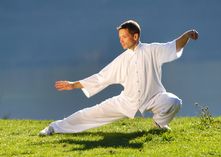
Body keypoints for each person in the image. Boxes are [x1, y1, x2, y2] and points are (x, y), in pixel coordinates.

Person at [39, 20, 199, 136]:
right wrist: (73, 85)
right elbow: (101, 78)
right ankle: (54, 127)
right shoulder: (122, 59)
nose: (121, 40)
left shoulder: (152, 50)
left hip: (153, 97)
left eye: (124, 36)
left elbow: (174, 45)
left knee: (174, 102)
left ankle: (159, 124)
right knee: (89, 114)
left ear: (135, 36)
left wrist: (186, 35)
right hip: (126, 101)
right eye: (120, 37)